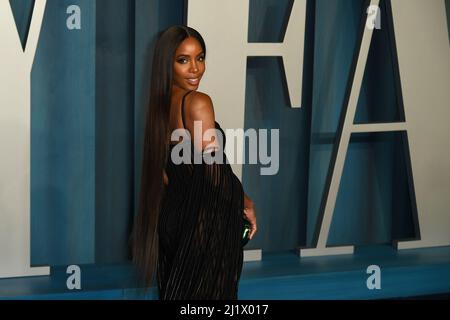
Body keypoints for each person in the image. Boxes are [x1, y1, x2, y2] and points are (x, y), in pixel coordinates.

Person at [130, 25, 257, 300]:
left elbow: (165, 176)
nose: (195, 69)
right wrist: (245, 203)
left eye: (200, 58)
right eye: (183, 60)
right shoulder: (197, 102)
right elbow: (215, 172)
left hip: (172, 220)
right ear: (167, 64)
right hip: (200, 225)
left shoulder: (159, 108)